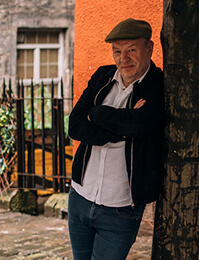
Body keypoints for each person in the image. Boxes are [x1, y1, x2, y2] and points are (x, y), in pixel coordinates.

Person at [67, 18, 163, 260]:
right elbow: (75, 126)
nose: (123, 58)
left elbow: (141, 123)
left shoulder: (158, 85)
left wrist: (96, 113)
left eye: (131, 49)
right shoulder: (102, 77)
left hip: (120, 208)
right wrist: (119, 130)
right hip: (80, 195)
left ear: (149, 48)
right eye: (117, 51)